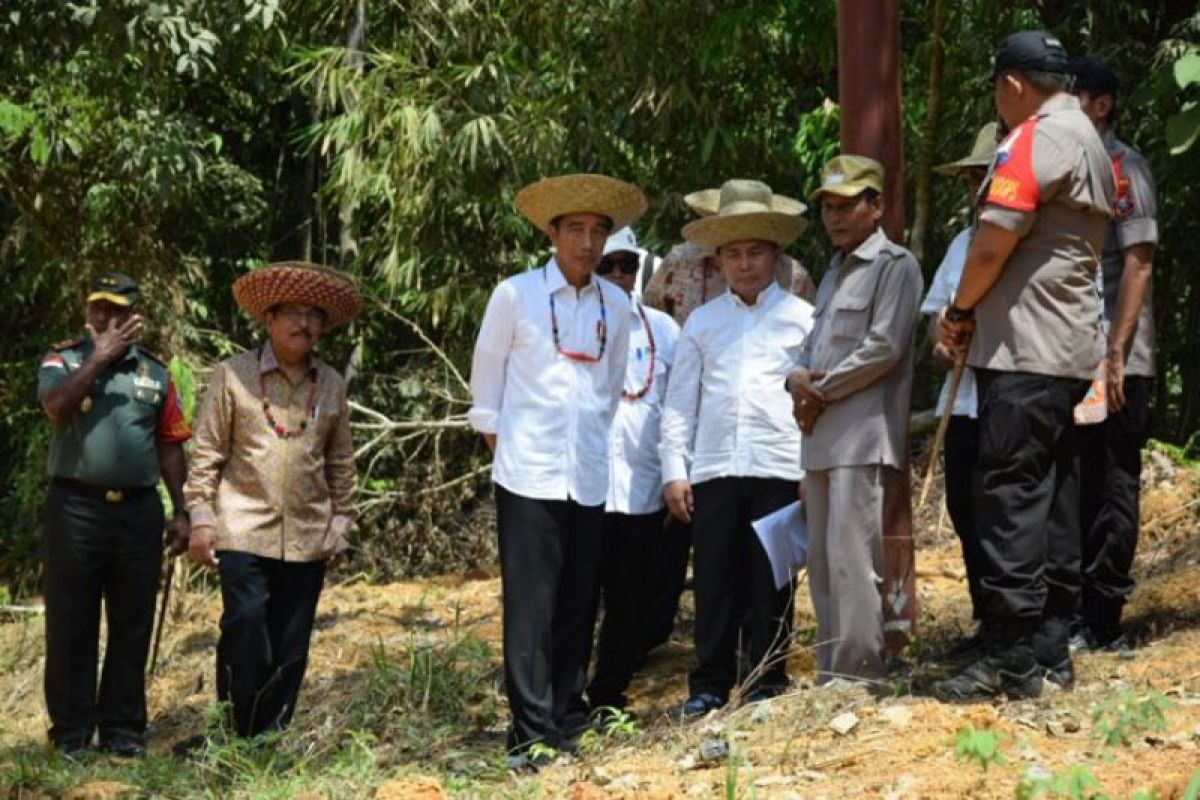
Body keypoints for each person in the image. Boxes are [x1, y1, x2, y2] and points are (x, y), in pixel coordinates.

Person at [933, 31, 1115, 700]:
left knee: (1008, 492)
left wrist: (959, 308)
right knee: (1053, 493)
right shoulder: (1090, 137)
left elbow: (994, 240)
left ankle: (1009, 655)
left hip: (1024, 345)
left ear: (1012, 84)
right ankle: (1049, 650)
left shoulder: (1033, 139)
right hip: (1066, 346)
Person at [467, 173, 645, 768]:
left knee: (576, 599)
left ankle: (567, 713)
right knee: (530, 605)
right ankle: (528, 730)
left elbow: (613, 383)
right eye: (576, 230)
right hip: (528, 474)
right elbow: (487, 393)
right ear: (551, 233)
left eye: (599, 231)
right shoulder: (515, 296)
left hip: (589, 473)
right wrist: (512, 452)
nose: (589, 244)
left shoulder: (616, 305)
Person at [184, 262, 361, 739]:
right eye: (293, 313)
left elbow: (341, 461)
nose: (304, 323)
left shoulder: (332, 385)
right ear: (269, 318)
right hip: (242, 526)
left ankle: (266, 740)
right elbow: (206, 453)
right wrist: (201, 518)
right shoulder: (233, 376)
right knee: (244, 625)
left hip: (307, 534)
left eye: (314, 315)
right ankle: (233, 731)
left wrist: (342, 522)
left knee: (291, 644)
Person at [660, 179, 813, 719]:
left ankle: (768, 678)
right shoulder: (703, 323)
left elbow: (816, 402)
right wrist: (675, 470)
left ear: (775, 255)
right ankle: (709, 684)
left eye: (755, 252)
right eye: (733, 254)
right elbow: (680, 403)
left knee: (770, 578)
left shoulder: (801, 319)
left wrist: (808, 469)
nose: (745, 265)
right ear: (718, 259)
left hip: (778, 463)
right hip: (716, 466)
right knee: (717, 580)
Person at [37, 272, 192, 758]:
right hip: (75, 509)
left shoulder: (155, 373)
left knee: (131, 622)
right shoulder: (63, 358)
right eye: (98, 308)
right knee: (70, 622)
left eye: (117, 310)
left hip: (138, 513)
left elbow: (170, 446)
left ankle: (123, 729)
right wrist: (100, 357)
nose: (105, 317)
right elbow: (56, 404)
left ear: (134, 318)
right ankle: (71, 733)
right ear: (88, 313)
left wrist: (183, 510)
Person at [787, 155, 923, 684]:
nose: (836, 217)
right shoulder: (835, 271)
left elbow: (884, 347)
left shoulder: (896, 266)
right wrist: (794, 378)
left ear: (877, 206)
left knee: (851, 560)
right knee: (822, 562)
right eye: (828, 207)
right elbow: (810, 345)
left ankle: (861, 675)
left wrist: (818, 389)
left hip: (862, 435)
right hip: (820, 435)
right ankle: (831, 674)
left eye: (848, 205)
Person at [1069, 56, 1159, 654]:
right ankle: (1071, 612)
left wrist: (1116, 354)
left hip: (1119, 357)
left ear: (1101, 105)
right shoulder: (1064, 166)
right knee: (1073, 482)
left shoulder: (1124, 168)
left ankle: (1103, 618)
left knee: (1112, 480)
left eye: (1070, 99)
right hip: (1070, 353)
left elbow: (1138, 261)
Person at [585, 227, 681, 715]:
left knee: (631, 604)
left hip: (643, 491)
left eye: (628, 264)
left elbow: (678, 408)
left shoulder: (664, 330)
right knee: (577, 602)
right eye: (608, 266)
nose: (620, 275)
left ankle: (609, 696)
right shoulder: (572, 324)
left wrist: (675, 475)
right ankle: (564, 700)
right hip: (584, 490)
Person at [920, 123, 998, 652]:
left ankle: (1022, 624)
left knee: (1010, 516)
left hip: (1010, 401)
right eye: (972, 180)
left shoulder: (1033, 243)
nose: (978, 189)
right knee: (967, 512)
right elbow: (933, 311)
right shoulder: (963, 242)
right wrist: (942, 342)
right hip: (964, 402)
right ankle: (987, 620)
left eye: (985, 177)